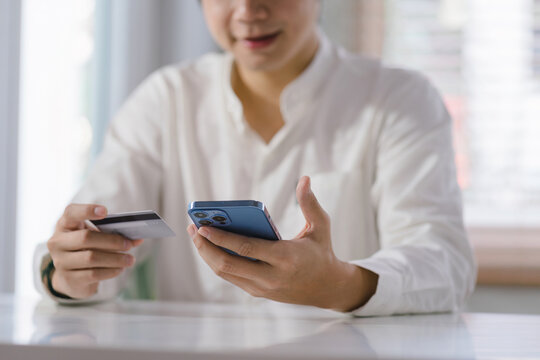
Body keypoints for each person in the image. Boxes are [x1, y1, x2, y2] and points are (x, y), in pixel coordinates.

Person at [34, 0, 476, 316]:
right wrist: (70, 274)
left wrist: (341, 284)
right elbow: (93, 235)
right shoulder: (166, 99)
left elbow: (443, 262)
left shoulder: (399, 99)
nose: (247, 10)